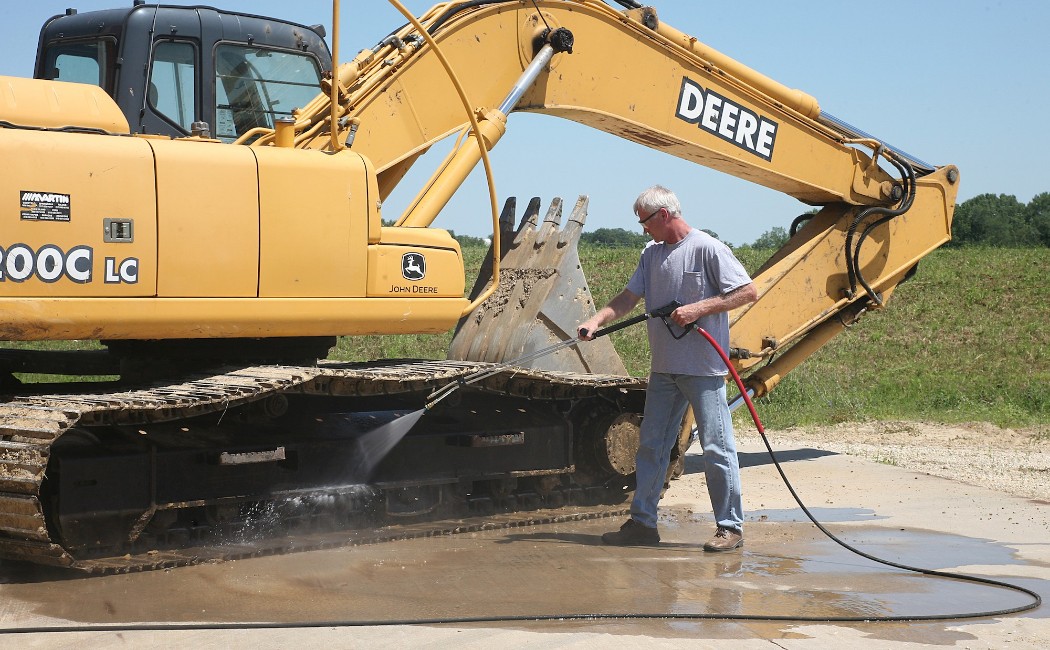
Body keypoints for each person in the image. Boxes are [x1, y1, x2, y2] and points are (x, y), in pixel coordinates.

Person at [578, 185, 757, 552]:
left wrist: (697, 309)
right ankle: (643, 524)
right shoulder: (651, 254)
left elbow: (746, 292)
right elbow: (629, 297)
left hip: (704, 370)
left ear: (663, 215)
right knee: (651, 446)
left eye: (644, 221)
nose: (643, 229)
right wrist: (596, 320)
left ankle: (730, 527)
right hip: (664, 370)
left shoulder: (707, 248)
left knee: (716, 448)